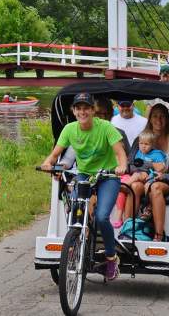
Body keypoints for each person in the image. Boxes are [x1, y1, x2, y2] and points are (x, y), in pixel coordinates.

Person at [41, 92, 127, 280]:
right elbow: (56, 153)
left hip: (107, 176)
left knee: (103, 216)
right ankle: (76, 241)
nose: (82, 112)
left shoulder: (105, 127)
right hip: (85, 175)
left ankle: (111, 258)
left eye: (86, 108)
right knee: (74, 208)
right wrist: (48, 163)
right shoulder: (70, 129)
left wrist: (121, 166)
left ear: (93, 110)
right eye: (78, 108)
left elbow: (120, 153)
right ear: (73, 111)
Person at [123, 104, 169, 241]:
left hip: (165, 182)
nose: (159, 119)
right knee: (134, 186)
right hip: (142, 179)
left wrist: (163, 175)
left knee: (155, 187)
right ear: (150, 119)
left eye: (162, 116)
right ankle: (127, 230)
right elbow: (130, 164)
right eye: (155, 116)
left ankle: (159, 235)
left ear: (168, 119)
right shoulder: (140, 139)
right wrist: (147, 168)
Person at [146, 65, 169, 136]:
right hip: (157, 123)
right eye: (163, 76)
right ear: (160, 75)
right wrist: (147, 124)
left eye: (167, 76)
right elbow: (149, 106)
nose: (165, 79)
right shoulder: (154, 87)